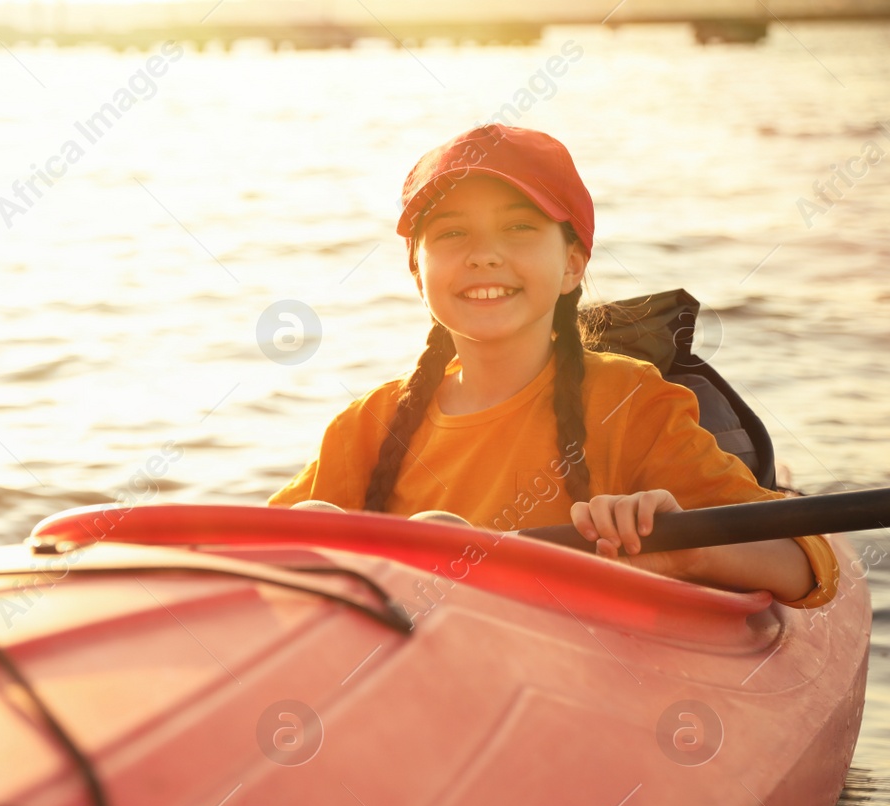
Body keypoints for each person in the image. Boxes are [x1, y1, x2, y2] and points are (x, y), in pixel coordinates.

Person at [268, 124, 837, 609]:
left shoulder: (630, 400)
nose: (484, 254)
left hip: (569, 693)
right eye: (451, 233)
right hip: (404, 703)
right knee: (313, 521)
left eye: (518, 227)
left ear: (572, 264)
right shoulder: (368, 425)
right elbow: (252, 557)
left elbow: (803, 563)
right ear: (417, 273)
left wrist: (688, 549)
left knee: (440, 540)